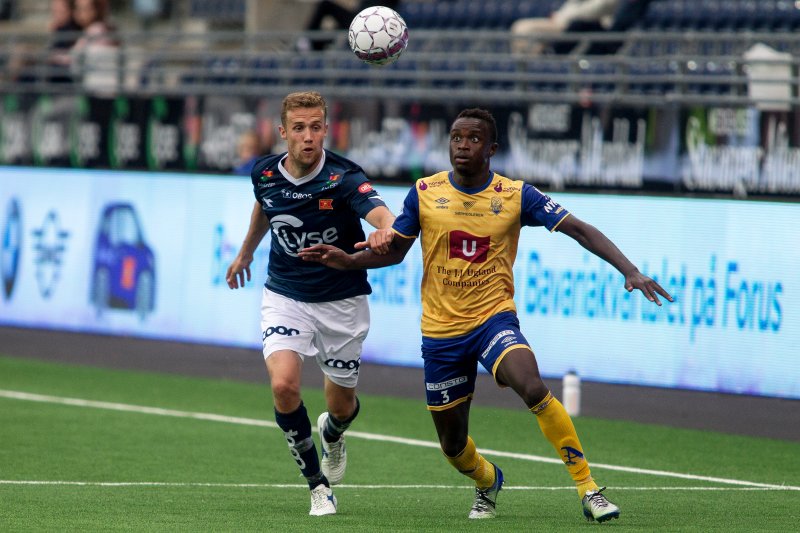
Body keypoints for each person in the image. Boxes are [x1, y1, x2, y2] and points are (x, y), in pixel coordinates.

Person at [298, 108, 674, 521]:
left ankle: (588, 488)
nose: (462, 145)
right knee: (453, 446)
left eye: (473, 139)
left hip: (493, 319)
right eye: (457, 137)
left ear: (492, 149)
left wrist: (630, 270)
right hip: (441, 333)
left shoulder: (516, 196)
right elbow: (396, 252)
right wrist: (346, 260)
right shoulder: (425, 191)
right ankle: (487, 480)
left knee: (530, 385)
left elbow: (578, 228)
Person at [225, 91, 395, 516]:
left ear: (326, 129)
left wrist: (384, 230)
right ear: (283, 133)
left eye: (315, 127)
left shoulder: (344, 177)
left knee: (342, 408)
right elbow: (265, 209)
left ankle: (333, 433)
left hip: (342, 301)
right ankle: (318, 486)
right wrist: (246, 252)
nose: (308, 136)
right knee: (283, 385)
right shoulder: (264, 173)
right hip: (285, 295)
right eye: (298, 128)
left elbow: (381, 212)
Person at [510, 0, 619, 55]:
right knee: (521, 27)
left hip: (584, 26)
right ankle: (528, 66)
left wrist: (562, 17)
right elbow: (571, 6)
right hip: (563, 22)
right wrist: (560, 15)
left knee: (526, 29)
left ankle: (538, 66)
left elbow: (594, 11)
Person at [297, 0, 400, 51]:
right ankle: (312, 44)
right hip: (360, 19)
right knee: (336, 27)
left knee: (326, 6)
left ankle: (309, 42)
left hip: (374, 22)